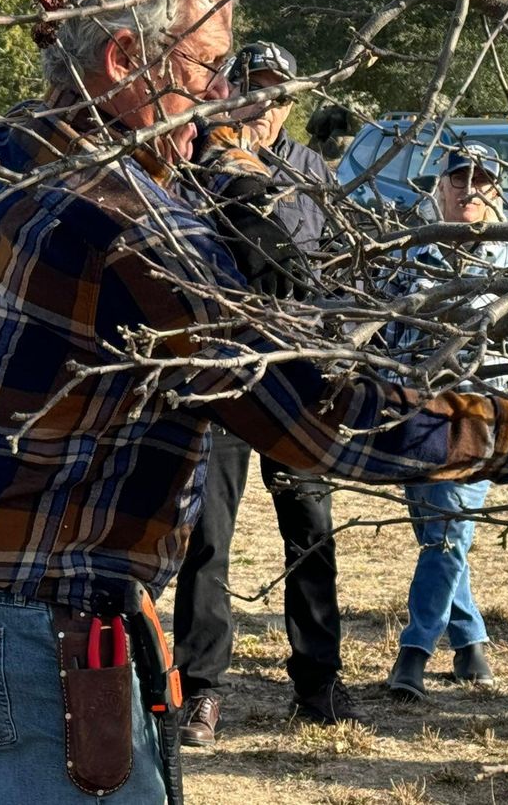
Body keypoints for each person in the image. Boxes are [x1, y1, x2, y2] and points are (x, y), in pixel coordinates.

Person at [0, 0, 508, 805]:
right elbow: (323, 421)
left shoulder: (23, 137)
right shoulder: (134, 227)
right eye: (209, 66)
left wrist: (229, 179)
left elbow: (181, 160)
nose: (223, 94)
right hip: (33, 607)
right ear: (124, 58)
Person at [174, 41, 359, 746]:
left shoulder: (316, 175)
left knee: (310, 532)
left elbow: (343, 270)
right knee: (205, 537)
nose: (266, 106)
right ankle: (201, 692)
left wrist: (340, 351)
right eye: (253, 89)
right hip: (223, 375)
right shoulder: (200, 169)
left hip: (300, 378)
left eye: (279, 93)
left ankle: (319, 680)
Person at [382, 143, 508, 699]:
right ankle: (471, 641)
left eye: (482, 180)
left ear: (496, 189)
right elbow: (383, 334)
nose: (470, 189)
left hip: (481, 418)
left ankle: (413, 651)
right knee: (439, 533)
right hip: (418, 417)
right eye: (459, 180)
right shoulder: (411, 253)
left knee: (447, 535)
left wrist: (506, 409)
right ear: (441, 188)